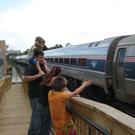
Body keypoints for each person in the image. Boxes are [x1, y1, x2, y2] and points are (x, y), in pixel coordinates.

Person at [23, 50, 47, 135]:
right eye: (40, 57)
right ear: (36, 57)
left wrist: (45, 66)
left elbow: (48, 77)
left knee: (35, 116)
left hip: (42, 96)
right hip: (35, 96)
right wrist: (38, 75)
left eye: (43, 57)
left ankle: (31, 133)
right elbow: (25, 78)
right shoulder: (30, 66)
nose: (42, 59)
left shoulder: (42, 66)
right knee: (37, 118)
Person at [37, 66, 62, 135]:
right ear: (59, 73)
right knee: (46, 127)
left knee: (42, 126)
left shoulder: (47, 77)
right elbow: (63, 90)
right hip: (46, 106)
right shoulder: (55, 81)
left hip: (40, 104)